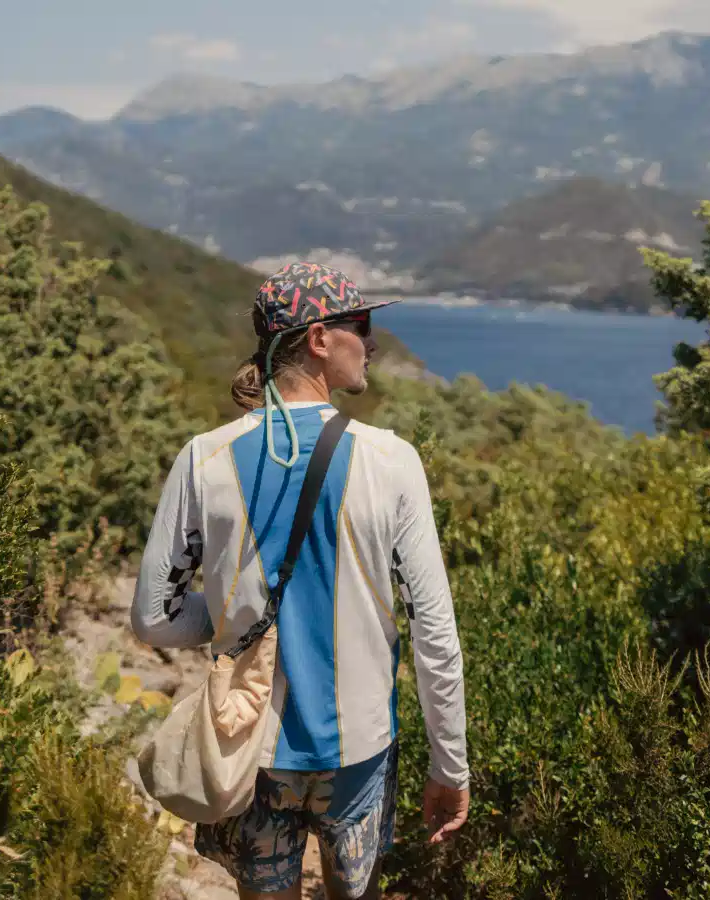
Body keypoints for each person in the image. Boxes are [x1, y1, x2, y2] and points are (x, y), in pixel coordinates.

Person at [130, 261, 469, 899]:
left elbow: (154, 616)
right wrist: (450, 763)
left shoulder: (205, 457)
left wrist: (233, 613)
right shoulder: (391, 460)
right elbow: (435, 634)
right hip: (358, 751)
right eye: (359, 326)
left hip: (250, 748)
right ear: (318, 339)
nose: (370, 343)